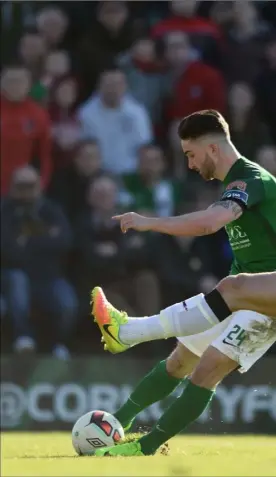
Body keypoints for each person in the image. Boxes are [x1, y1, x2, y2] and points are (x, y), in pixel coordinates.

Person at [91, 109, 276, 456]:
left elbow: (209, 223)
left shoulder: (249, 180)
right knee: (181, 359)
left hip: (263, 296)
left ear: (213, 149)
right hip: (255, 293)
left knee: (209, 361)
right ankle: (116, 423)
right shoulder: (234, 183)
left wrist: (149, 222)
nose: (190, 165)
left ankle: (129, 335)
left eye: (191, 154)